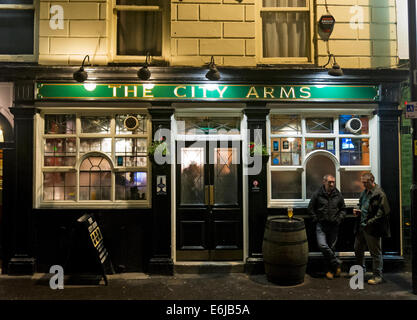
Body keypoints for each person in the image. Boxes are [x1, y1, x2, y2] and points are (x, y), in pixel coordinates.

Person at [353, 172, 390, 285]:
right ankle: (361, 271)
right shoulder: (365, 192)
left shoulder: (380, 194)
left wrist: (369, 222)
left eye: (365, 182)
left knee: (375, 253)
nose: (363, 185)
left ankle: (377, 276)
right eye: (362, 182)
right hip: (362, 226)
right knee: (358, 249)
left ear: (372, 180)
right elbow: (362, 205)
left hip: (372, 228)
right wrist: (358, 211)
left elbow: (382, 213)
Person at [308, 174, 346, 280]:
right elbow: (310, 208)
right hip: (321, 225)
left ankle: (330, 271)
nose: (332, 184)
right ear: (324, 182)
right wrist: (316, 219)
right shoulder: (318, 194)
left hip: (334, 226)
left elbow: (343, 209)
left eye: (333, 182)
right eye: (330, 182)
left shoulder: (338, 195)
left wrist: (339, 219)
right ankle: (337, 263)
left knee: (331, 248)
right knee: (323, 246)